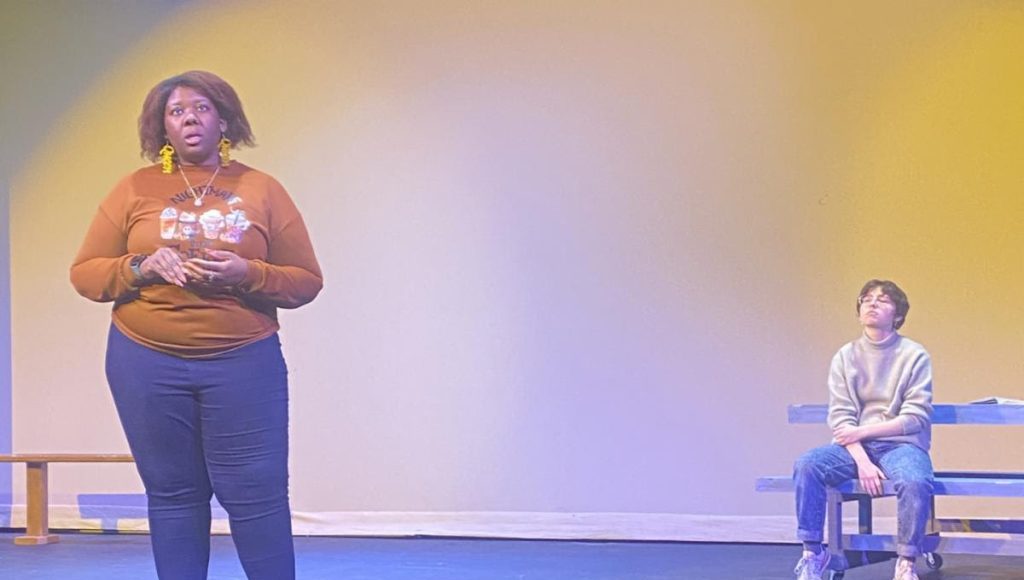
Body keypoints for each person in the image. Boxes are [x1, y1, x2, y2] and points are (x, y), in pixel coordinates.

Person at [70, 70, 322, 580]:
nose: (190, 118)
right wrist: (141, 266)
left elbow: (305, 281)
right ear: (162, 127)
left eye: (202, 108)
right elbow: (86, 274)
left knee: (256, 492)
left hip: (242, 362)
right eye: (177, 111)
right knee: (173, 492)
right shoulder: (133, 188)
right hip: (146, 361)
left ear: (224, 121)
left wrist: (246, 273)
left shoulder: (261, 189)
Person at [792, 280, 933, 580]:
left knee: (916, 480)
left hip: (901, 445)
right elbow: (841, 418)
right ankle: (813, 553)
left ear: (897, 314)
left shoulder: (914, 355)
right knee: (807, 465)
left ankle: (906, 561)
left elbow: (914, 418)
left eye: (882, 300)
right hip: (854, 449)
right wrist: (863, 461)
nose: (872, 303)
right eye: (866, 299)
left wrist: (860, 433)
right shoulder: (845, 356)